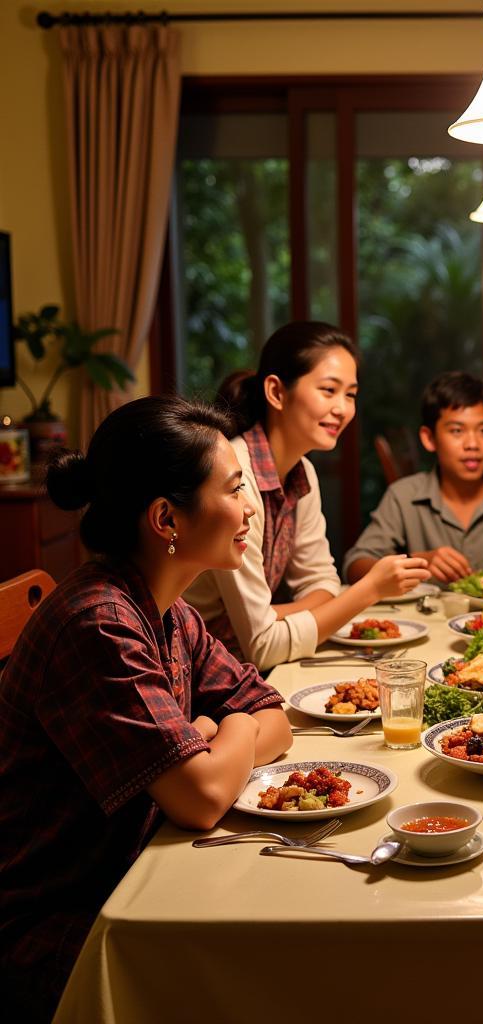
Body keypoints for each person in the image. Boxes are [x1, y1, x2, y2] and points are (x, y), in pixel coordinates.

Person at [0, 396, 294, 1022]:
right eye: (235, 489)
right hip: (54, 926)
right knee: (269, 976)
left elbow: (276, 714)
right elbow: (201, 797)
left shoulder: (169, 612)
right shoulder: (100, 623)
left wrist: (213, 734)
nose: (251, 509)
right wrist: (224, 729)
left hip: (139, 878)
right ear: (166, 519)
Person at [186, 322, 429, 670]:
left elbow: (322, 582)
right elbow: (263, 646)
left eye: (351, 394)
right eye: (329, 390)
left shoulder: (303, 473)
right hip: (199, 667)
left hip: (245, 661)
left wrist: (273, 615)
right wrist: (368, 590)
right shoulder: (234, 476)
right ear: (277, 392)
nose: (342, 408)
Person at [343, 370, 483, 585]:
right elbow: (355, 567)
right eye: (457, 431)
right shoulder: (403, 497)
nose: (472, 444)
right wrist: (418, 562)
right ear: (429, 438)